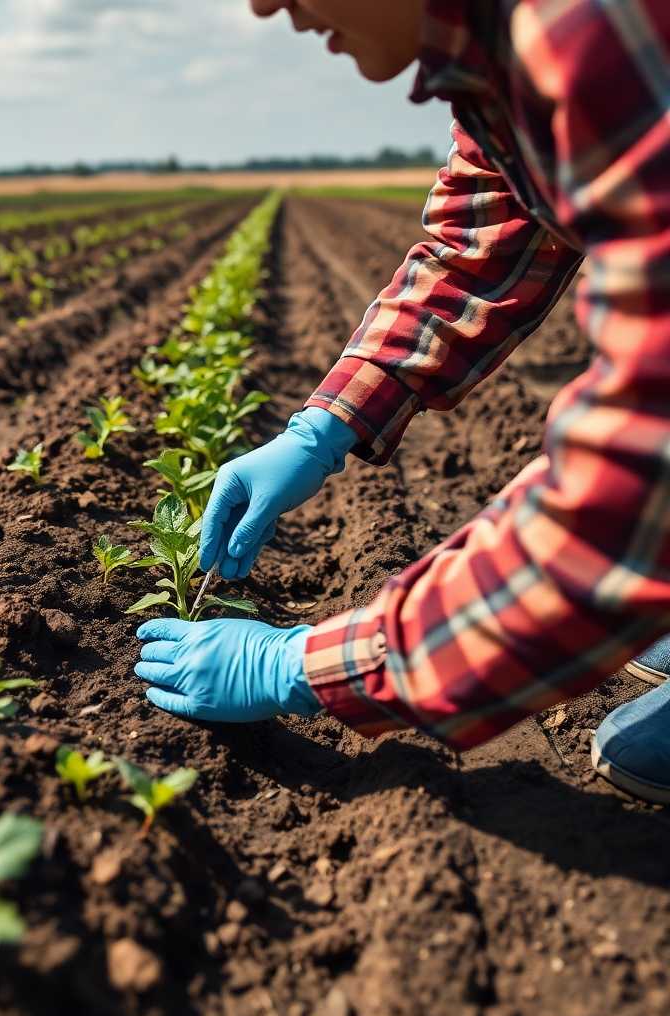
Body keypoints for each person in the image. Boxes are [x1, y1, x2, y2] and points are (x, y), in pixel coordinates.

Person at [134, 0, 670, 805]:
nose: (260, 4)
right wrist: (324, 425)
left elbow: (632, 490)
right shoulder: (507, 53)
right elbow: (481, 244)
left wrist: (311, 666)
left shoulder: (599, 35)